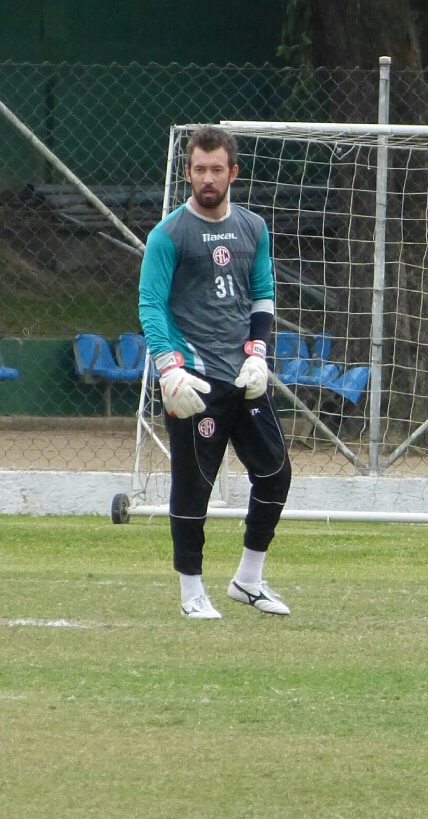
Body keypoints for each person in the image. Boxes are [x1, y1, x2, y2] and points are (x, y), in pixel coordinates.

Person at [138, 125, 292, 620]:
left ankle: (248, 580)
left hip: (244, 377)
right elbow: (151, 305)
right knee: (193, 485)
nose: (208, 178)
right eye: (199, 169)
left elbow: (263, 293)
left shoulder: (254, 227)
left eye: (217, 169)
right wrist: (168, 369)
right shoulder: (167, 236)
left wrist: (259, 353)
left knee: (275, 473)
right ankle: (190, 592)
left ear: (234, 173)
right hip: (196, 382)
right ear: (187, 172)